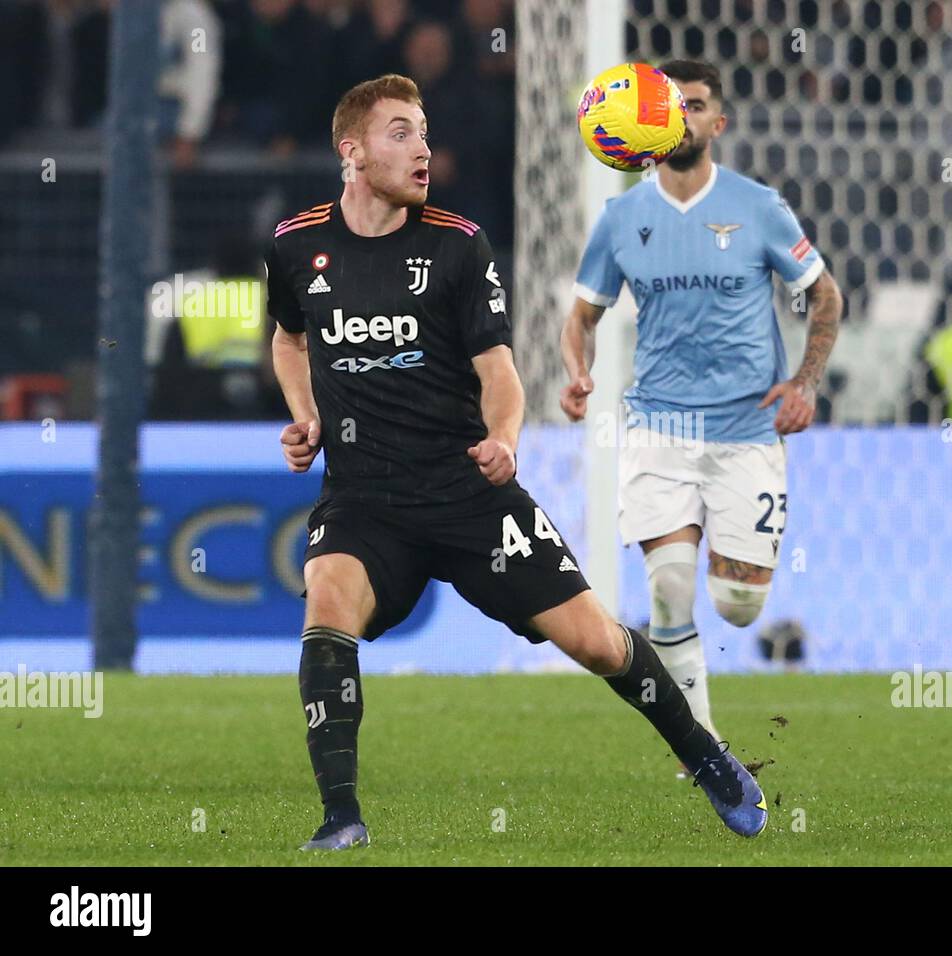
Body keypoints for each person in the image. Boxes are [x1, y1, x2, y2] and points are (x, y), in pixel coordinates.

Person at [265, 74, 766, 850]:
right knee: (327, 601)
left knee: (597, 642)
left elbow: (499, 372)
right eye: (401, 132)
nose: (422, 147)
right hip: (365, 499)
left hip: (471, 493)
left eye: (425, 130)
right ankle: (341, 819)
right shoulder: (297, 246)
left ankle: (706, 757)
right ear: (352, 151)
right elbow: (290, 337)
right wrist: (305, 415)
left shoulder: (457, 245)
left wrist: (505, 441)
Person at [559, 60, 842, 766]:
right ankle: (707, 753)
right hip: (659, 425)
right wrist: (577, 371)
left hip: (747, 430)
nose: (683, 116)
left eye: (696, 105)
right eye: (671, 105)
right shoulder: (621, 218)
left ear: (719, 122)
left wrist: (805, 381)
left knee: (739, 604)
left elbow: (826, 296)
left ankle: (729, 600)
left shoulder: (759, 206)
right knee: (670, 586)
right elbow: (582, 315)